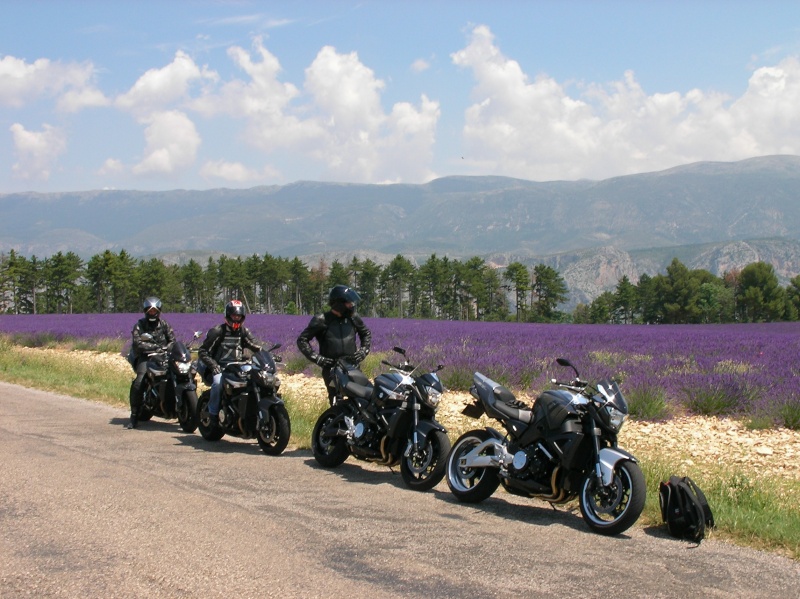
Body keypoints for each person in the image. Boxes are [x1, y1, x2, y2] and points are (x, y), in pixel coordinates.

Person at [297, 285, 372, 404]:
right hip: (332, 368)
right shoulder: (321, 320)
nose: (351, 305)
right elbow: (302, 340)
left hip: (353, 367)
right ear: (339, 303)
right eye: (348, 303)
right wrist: (317, 358)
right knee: (336, 401)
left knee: (361, 399)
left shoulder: (354, 318)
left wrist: (364, 351)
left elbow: (366, 334)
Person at [198, 299, 262, 421]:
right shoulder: (218, 331)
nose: (236, 318)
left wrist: (266, 354)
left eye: (239, 316)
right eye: (234, 315)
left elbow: (254, 345)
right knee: (217, 383)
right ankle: (213, 413)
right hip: (220, 367)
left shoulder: (243, 331)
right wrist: (213, 365)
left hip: (238, 366)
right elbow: (203, 351)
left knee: (256, 378)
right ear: (228, 315)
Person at [127, 297, 176, 429]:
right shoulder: (139, 325)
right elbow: (137, 343)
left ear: (159, 311)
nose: (152, 313)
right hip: (146, 357)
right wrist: (152, 348)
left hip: (163, 356)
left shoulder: (164, 324)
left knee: (178, 373)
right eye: (150, 310)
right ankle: (134, 415)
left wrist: (170, 348)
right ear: (145, 311)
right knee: (139, 381)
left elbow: (172, 339)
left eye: (155, 310)